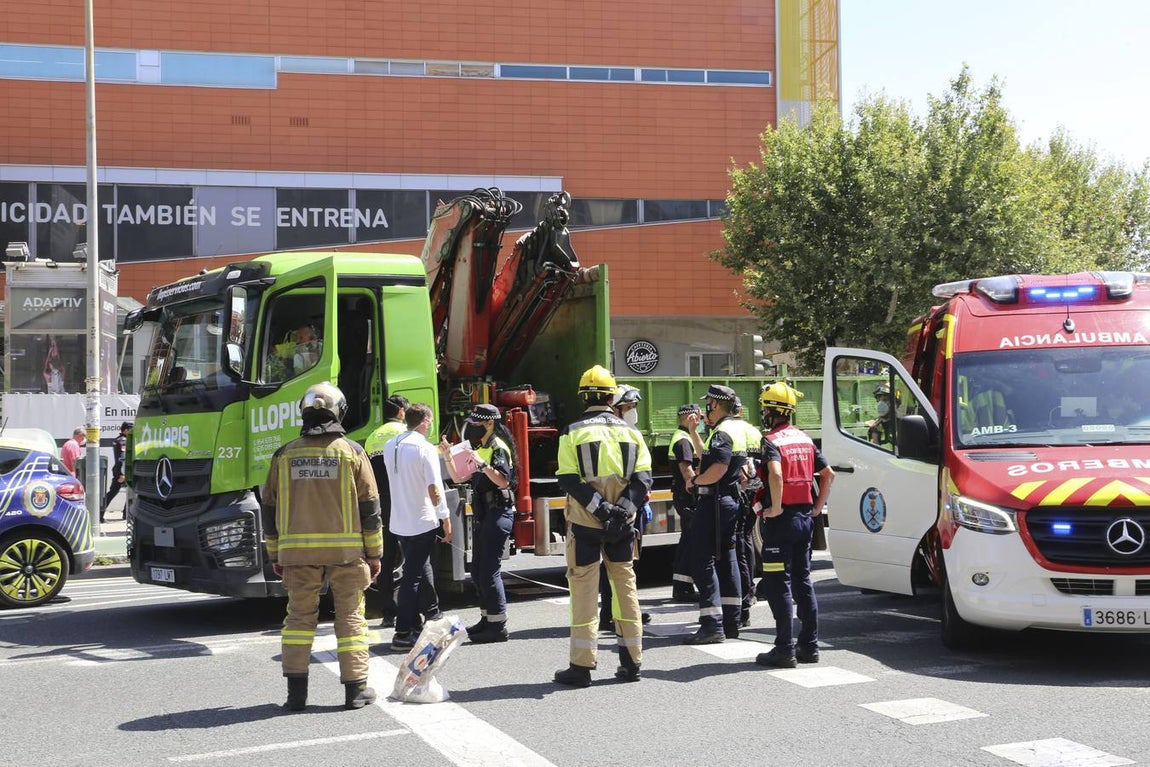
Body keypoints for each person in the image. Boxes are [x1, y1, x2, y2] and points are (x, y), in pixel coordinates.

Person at [260, 382, 383, 711]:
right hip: (347, 554)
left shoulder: (284, 455)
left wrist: (275, 553)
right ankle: (355, 692)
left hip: (297, 555)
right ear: (338, 411)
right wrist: (374, 554)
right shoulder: (352, 452)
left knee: (298, 620)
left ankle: (296, 696)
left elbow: (269, 510)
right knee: (351, 621)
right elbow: (370, 508)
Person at [554, 365, 652, 687]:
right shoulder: (631, 432)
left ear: (584, 396)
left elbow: (569, 479)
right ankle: (632, 663)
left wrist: (600, 509)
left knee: (583, 589)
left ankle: (581, 668)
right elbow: (643, 479)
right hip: (622, 525)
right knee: (625, 585)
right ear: (612, 396)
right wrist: (621, 511)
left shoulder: (573, 431)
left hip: (586, 524)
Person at [753, 382, 835, 668]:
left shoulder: (771, 441)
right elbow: (828, 474)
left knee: (778, 584)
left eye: (764, 407)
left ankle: (784, 649)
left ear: (770, 410)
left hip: (782, 521)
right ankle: (809, 647)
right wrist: (817, 508)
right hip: (804, 521)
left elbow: (774, 474)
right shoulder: (804, 439)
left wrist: (774, 506)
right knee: (803, 581)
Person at [440, 403, 516, 643]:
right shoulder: (480, 447)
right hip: (485, 514)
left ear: (489, 423)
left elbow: (504, 481)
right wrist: (448, 457)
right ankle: (487, 619)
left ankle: (498, 626)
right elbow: (458, 477)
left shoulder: (497, 448)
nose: (471, 428)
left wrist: (482, 464)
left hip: (498, 513)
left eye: (476, 424)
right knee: (479, 571)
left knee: (489, 571)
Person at [385, 402, 453, 651]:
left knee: (420, 568)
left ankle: (430, 616)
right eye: (431, 421)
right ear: (424, 421)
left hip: (400, 520)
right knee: (412, 576)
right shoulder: (423, 448)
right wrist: (445, 517)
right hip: (422, 519)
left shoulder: (391, 444)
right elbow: (434, 488)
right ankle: (402, 631)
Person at [682, 384, 746, 644]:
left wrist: (697, 481)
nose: (705, 407)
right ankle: (731, 621)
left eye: (708, 403)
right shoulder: (735, 429)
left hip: (715, 501)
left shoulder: (722, 432)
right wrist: (694, 433)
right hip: (730, 499)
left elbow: (718, 467)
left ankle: (712, 625)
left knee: (700, 559)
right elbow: (708, 456)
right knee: (727, 558)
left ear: (716, 405)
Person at [599, 385, 651, 631]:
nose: (633, 412)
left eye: (634, 407)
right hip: (621, 506)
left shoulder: (631, 432)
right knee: (613, 563)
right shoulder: (613, 434)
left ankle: (628, 608)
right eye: (629, 407)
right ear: (616, 408)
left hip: (633, 504)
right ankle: (610, 614)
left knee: (629, 563)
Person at [365, 394, 416, 628]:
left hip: (382, 504)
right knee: (413, 557)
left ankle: (388, 612)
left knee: (386, 559)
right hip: (403, 501)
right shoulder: (405, 435)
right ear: (402, 412)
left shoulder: (373, 437)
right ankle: (413, 609)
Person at [731, 397, 764, 628]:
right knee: (747, 542)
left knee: (740, 545)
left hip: (742, 494)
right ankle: (750, 589)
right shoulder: (753, 430)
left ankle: (744, 595)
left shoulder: (729, 430)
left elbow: (742, 471)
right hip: (756, 492)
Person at [669, 404, 701, 602]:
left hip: (683, 495)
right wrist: (698, 491)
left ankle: (683, 586)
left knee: (687, 541)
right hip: (687, 496)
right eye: (698, 416)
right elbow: (687, 470)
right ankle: (683, 589)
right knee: (691, 542)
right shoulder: (683, 440)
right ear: (690, 418)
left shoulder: (683, 437)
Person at [101, 422, 132, 522]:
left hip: (119, 470)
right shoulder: (123, 440)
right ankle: (100, 514)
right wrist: (122, 474)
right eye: (131, 429)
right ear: (126, 430)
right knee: (116, 493)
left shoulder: (119, 440)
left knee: (129, 492)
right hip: (122, 471)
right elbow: (122, 458)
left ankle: (126, 514)